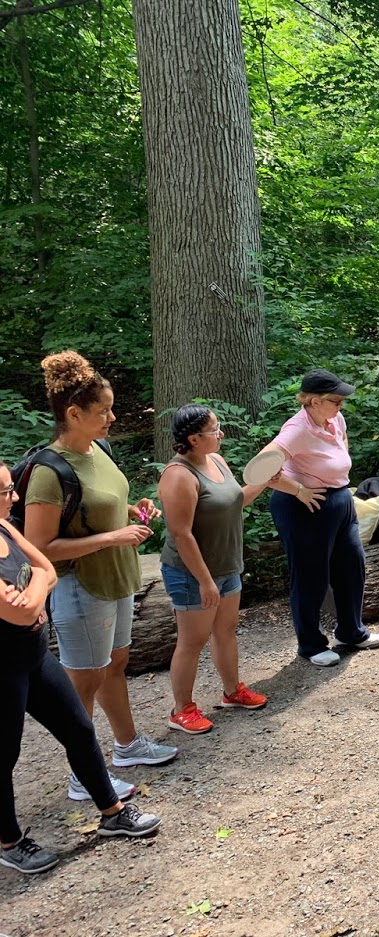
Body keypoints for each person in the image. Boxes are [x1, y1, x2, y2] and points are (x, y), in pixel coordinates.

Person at [23, 352, 178, 801]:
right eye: (103, 411)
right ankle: (83, 776)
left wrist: (129, 511)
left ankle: (127, 746)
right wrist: (113, 536)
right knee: (83, 685)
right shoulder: (49, 473)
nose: (112, 417)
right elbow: (42, 549)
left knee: (116, 665)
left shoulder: (99, 450)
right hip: (81, 589)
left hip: (117, 580)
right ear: (73, 414)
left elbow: (100, 502)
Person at [0, 458, 161, 875]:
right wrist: (36, 587)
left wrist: (36, 586)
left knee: (78, 727)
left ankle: (112, 811)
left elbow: (46, 569)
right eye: (6, 492)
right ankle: (10, 842)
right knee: (4, 754)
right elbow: (22, 609)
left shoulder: (4, 527)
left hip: (34, 654)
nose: (15, 497)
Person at [255, 369, 379, 667]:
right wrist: (297, 489)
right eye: (335, 400)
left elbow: (343, 444)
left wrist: (339, 476)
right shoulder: (296, 429)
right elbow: (262, 467)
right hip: (305, 507)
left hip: (339, 500)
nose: (341, 405)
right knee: (310, 576)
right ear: (314, 401)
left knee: (353, 565)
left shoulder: (334, 419)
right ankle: (311, 644)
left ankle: (351, 631)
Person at [158, 405, 272, 734]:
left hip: (226, 566)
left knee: (226, 630)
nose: (220, 434)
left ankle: (233, 691)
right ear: (193, 438)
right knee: (192, 640)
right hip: (192, 573)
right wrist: (205, 581)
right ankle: (182, 710)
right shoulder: (178, 475)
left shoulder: (217, 461)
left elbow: (235, 502)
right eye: (214, 430)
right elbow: (181, 534)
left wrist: (264, 482)